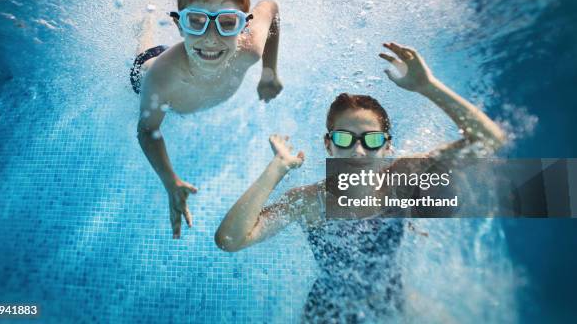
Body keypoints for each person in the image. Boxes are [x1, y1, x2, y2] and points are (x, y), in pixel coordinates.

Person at [215, 42, 506, 322]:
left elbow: (489, 140)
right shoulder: (309, 201)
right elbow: (230, 240)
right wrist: (276, 170)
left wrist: (427, 87)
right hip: (329, 312)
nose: (358, 150)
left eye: (372, 140)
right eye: (344, 139)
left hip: (391, 300)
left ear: (387, 147)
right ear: (328, 145)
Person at [133, 0, 283, 238]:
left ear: (243, 26)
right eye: (196, 22)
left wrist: (269, 71)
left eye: (227, 23)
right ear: (179, 25)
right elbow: (147, 129)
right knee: (146, 53)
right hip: (149, 68)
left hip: (187, 58)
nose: (211, 38)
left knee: (192, 48)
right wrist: (170, 181)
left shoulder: (249, 50)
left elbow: (270, 7)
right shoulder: (161, 78)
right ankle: (145, 24)